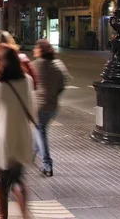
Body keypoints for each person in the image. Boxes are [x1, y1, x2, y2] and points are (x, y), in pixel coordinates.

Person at [0, 45, 35, 219]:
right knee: (18, 177)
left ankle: (3, 215)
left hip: (2, 138)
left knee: (2, 179)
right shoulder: (26, 80)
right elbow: (32, 110)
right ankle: (24, 213)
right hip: (21, 136)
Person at [32, 39, 71, 177]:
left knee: (40, 132)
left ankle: (47, 163)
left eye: (36, 48)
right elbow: (63, 83)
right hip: (53, 106)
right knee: (39, 131)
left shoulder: (37, 64)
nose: (33, 51)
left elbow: (29, 82)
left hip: (40, 105)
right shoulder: (58, 64)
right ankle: (30, 156)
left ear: (41, 50)